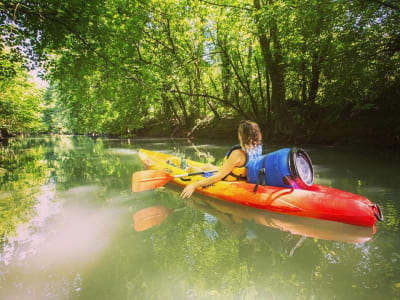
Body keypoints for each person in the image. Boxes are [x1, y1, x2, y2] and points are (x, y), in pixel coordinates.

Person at [180, 120, 262, 199]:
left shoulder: (238, 153)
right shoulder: (258, 147)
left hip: (227, 179)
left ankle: (185, 168)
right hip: (238, 176)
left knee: (192, 169)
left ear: (242, 135)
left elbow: (219, 176)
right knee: (207, 166)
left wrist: (194, 185)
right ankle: (189, 166)